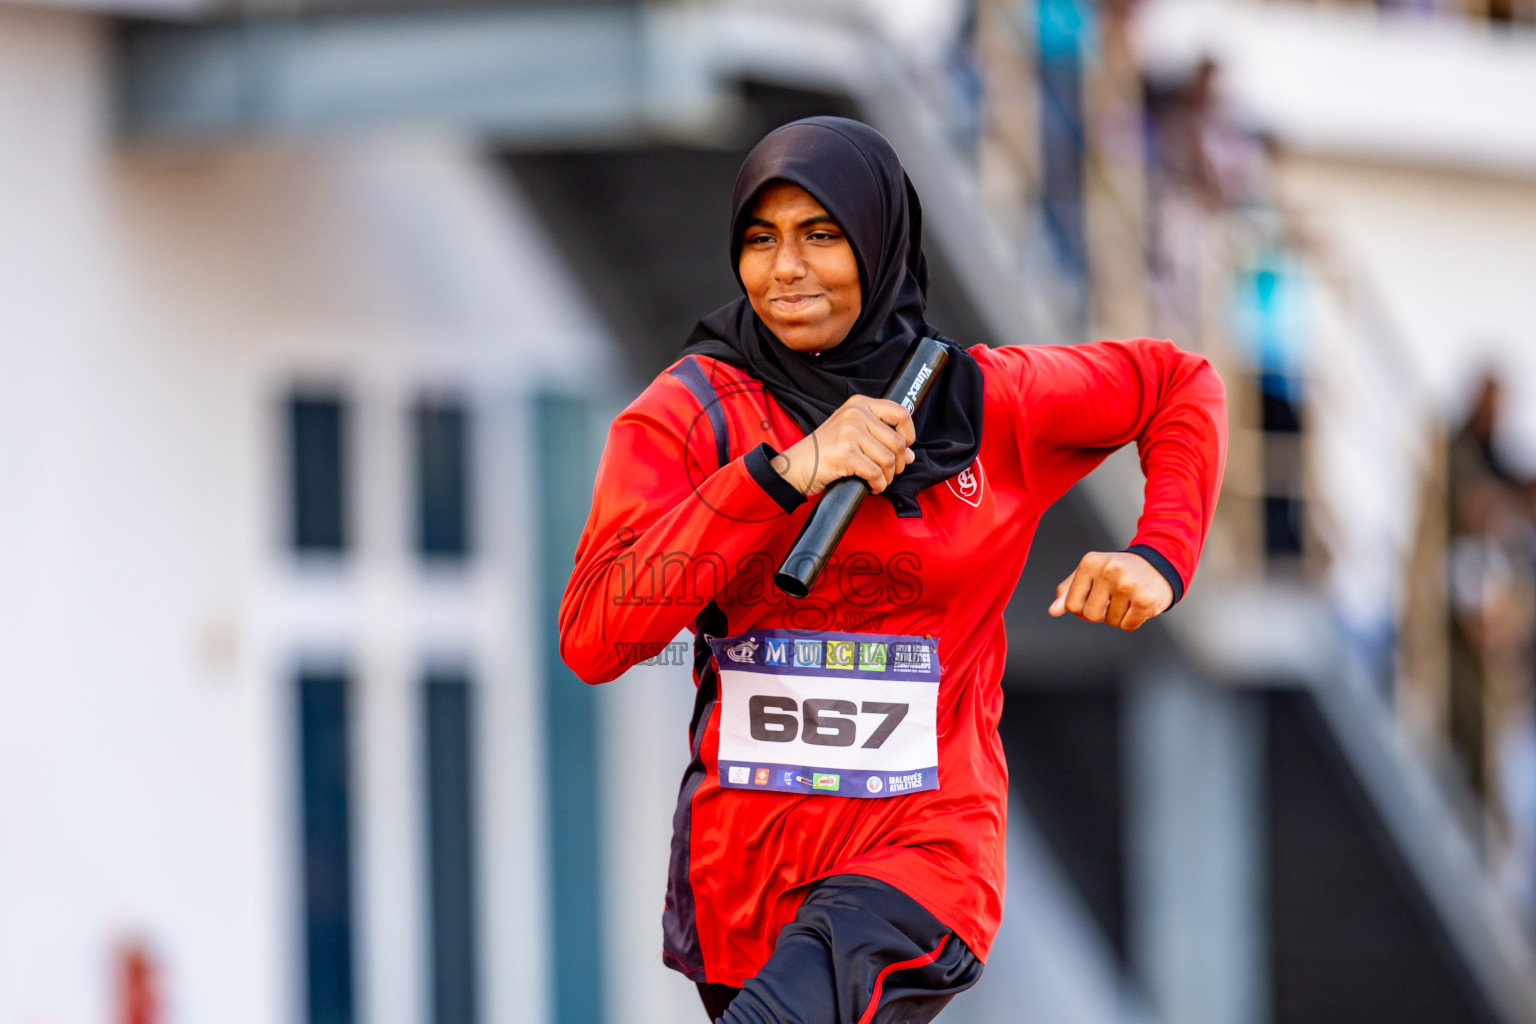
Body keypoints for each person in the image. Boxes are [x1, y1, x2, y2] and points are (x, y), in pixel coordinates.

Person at [559, 116, 1227, 1024]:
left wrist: (1162, 554)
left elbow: (1177, 384)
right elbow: (597, 635)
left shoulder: (984, 401)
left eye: (820, 235)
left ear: (879, 241)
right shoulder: (688, 414)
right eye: (761, 240)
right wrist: (785, 476)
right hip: (743, 891)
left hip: (922, 863)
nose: (785, 269)